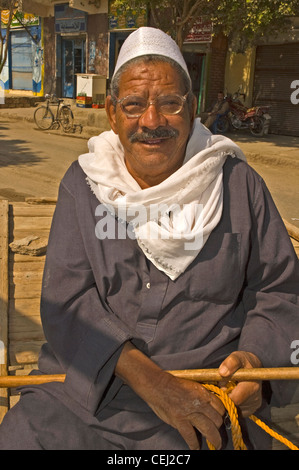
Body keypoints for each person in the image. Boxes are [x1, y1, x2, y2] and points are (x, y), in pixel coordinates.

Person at [0, 27, 298, 451]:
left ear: (192, 109)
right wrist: (154, 384)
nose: (152, 122)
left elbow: (280, 290)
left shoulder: (237, 185)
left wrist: (255, 364)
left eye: (170, 104)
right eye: (134, 105)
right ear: (112, 113)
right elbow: (67, 301)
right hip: (90, 391)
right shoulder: (84, 185)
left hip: (206, 396)